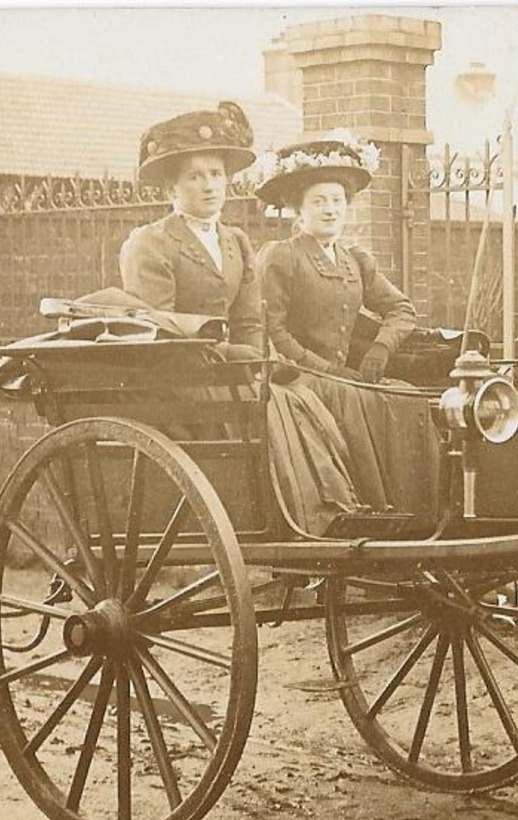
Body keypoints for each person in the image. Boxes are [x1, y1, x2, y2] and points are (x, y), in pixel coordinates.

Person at [119, 102, 363, 535]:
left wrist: (253, 365)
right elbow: (161, 329)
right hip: (179, 382)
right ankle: (308, 520)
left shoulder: (235, 242)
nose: (210, 186)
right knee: (274, 408)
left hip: (232, 372)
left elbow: (250, 320)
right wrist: (233, 359)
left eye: (216, 174)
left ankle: (329, 511)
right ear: (171, 188)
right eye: (195, 176)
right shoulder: (152, 243)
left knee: (299, 397)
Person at [255, 132, 440, 517]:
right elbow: (273, 332)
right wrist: (327, 370)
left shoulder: (354, 260)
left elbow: (402, 308)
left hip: (346, 377)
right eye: (319, 201)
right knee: (357, 400)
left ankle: (416, 512)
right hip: (298, 378)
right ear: (298, 210)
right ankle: (366, 506)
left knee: (407, 399)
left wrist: (380, 348)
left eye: (337, 201)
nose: (330, 210)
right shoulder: (282, 257)